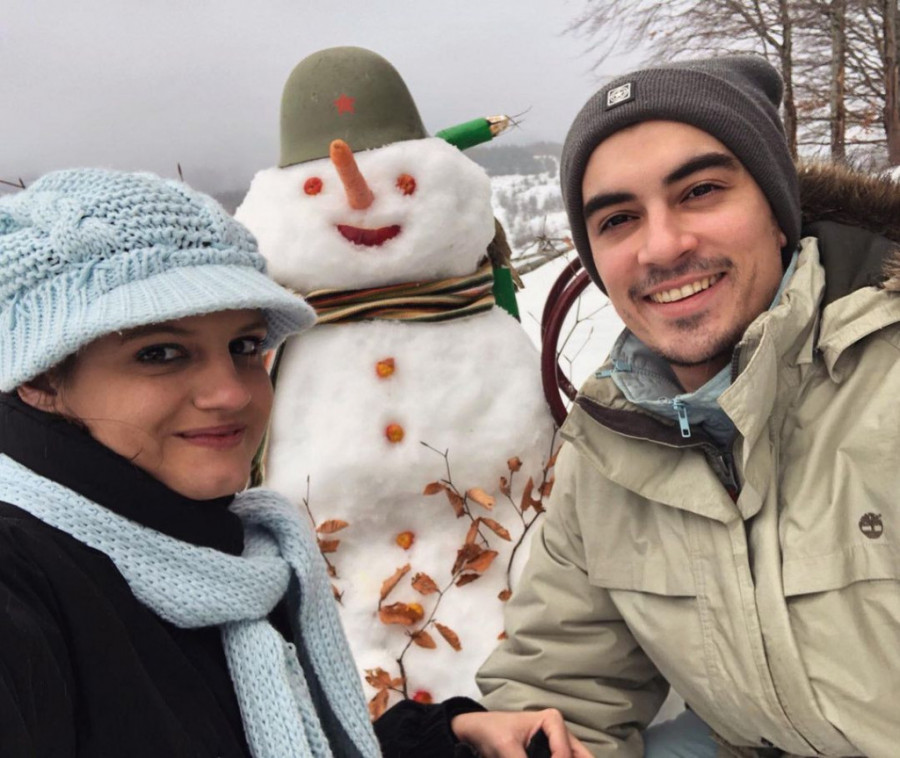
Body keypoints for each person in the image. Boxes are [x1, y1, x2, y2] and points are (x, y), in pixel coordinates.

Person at [0, 168, 587, 758]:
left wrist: (440, 740)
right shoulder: (22, 583)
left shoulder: (223, 551)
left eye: (243, 346)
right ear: (40, 376)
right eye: (160, 352)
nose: (231, 392)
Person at [475, 56, 900, 757]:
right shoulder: (613, 444)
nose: (663, 247)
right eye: (618, 219)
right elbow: (565, 691)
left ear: (778, 212)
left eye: (700, 191)